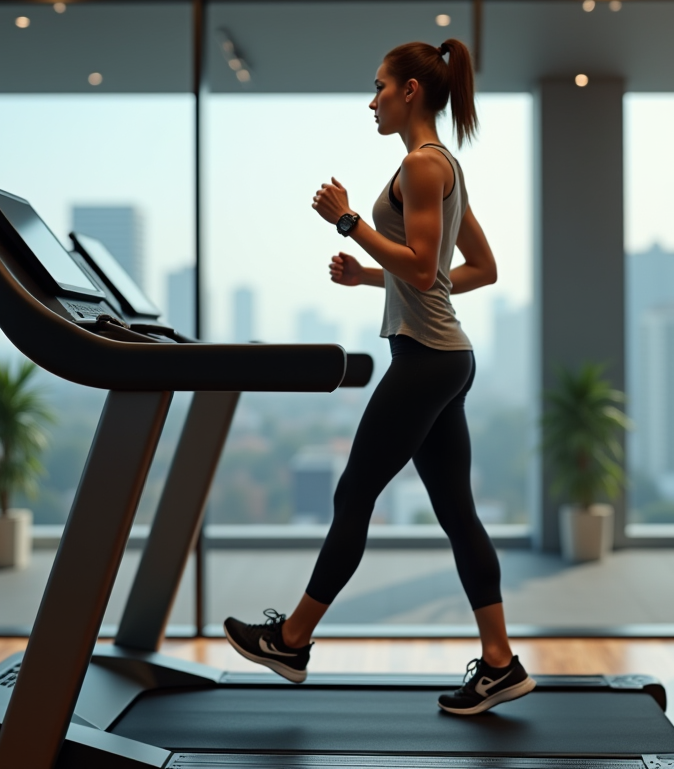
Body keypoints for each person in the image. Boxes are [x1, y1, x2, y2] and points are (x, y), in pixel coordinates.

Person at [223, 38, 533, 715]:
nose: (372, 101)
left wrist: (348, 222)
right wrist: (369, 274)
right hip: (445, 358)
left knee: (353, 494)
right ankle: (501, 664)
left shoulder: (423, 168)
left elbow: (426, 270)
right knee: (458, 514)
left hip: (426, 359)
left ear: (410, 92)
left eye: (380, 88)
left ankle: (293, 640)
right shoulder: (438, 167)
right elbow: (472, 269)